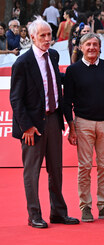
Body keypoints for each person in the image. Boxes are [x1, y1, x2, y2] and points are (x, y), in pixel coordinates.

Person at [10, 19, 80, 228]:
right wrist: (26, 126)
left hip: (53, 119)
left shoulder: (54, 55)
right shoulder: (22, 63)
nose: (48, 39)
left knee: (56, 169)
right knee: (32, 172)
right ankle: (34, 215)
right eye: (43, 35)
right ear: (32, 37)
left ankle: (58, 212)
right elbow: (16, 99)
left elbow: (53, 78)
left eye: (50, 34)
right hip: (32, 126)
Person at [63, 33, 104, 223]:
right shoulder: (73, 71)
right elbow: (67, 102)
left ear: (100, 47)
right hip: (83, 123)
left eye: (95, 44)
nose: (92, 48)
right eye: (88, 44)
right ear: (80, 47)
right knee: (85, 167)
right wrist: (71, 127)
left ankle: (103, 205)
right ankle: (85, 206)